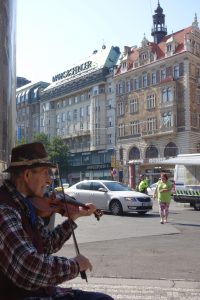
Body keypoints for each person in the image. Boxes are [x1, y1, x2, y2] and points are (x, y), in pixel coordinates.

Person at [0, 142, 113, 300]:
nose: (49, 180)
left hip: (42, 292)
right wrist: (75, 265)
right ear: (27, 175)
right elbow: (28, 267)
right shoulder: (5, 209)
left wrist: (73, 217)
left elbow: (47, 244)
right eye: (45, 173)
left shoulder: (25, 205)